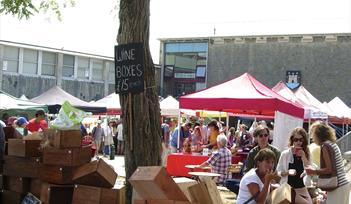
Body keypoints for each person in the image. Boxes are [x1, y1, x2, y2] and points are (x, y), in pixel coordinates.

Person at [305, 121, 350, 204]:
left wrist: (314, 171)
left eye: (313, 135)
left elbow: (329, 169)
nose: (312, 138)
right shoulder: (332, 144)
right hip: (344, 184)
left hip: (338, 186)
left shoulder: (325, 146)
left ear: (319, 135)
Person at [276, 127, 312, 204]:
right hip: (288, 189)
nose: (298, 142)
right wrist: (287, 172)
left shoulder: (306, 152)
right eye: (296, 140)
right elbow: (278, 172)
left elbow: (310, 170)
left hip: (302, 188)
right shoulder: (285, 154)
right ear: (292, 141)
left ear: (304, 140)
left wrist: (303, 156)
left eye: (301, 140)